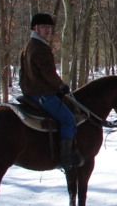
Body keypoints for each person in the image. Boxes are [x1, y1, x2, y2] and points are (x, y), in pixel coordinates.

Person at [19, 13, 84, 171]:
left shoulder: (28, 46)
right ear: (36, 28)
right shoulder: (40, 48)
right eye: (43, 27)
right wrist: (61, 86)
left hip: (32, 93)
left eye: (49, 27)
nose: (48, 30)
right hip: (42, 94)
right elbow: (48, 74)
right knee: (68, 119)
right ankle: (65, 158)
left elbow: (23, 74)